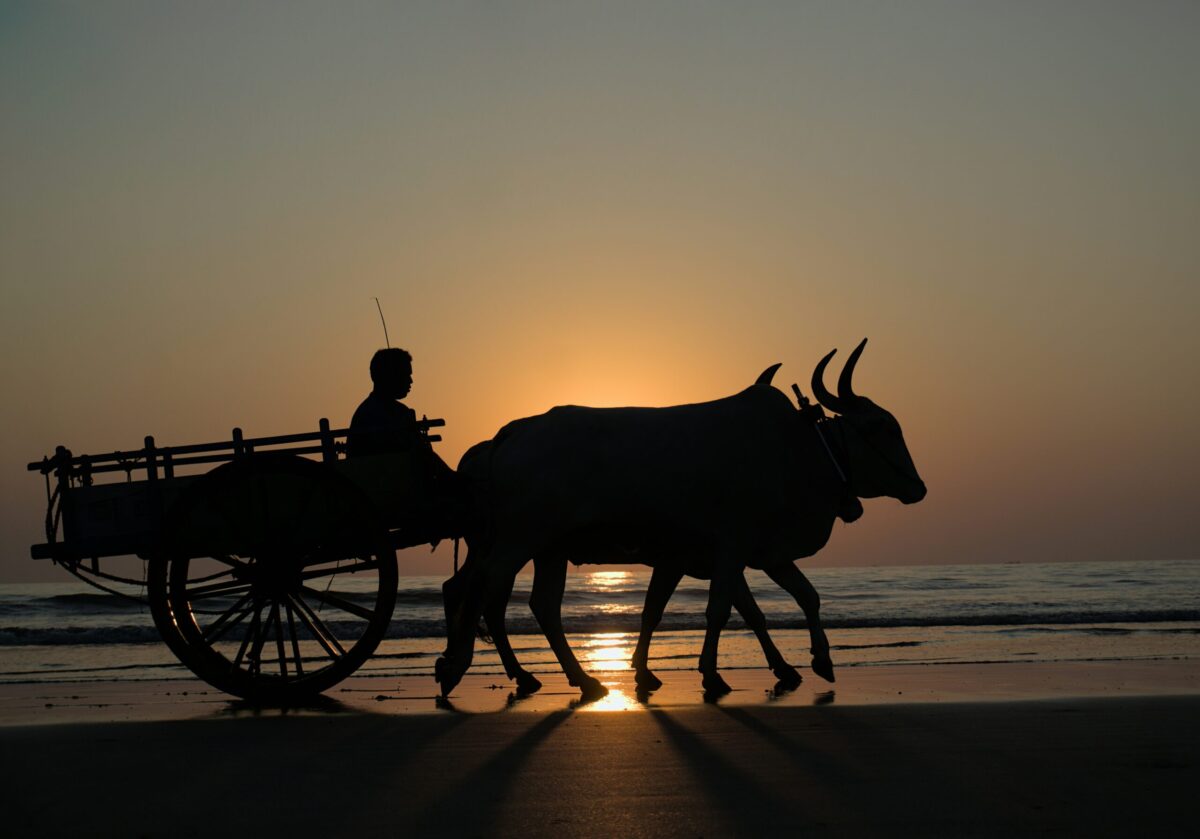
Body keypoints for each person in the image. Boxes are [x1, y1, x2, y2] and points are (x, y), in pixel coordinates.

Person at [348, 347, 461, 538]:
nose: (411, 381)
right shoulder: (388, 413)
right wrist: (451, 478)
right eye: (406, 375)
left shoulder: (372, 410)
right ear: (389, 376)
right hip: (389, 492)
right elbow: (420, 454)